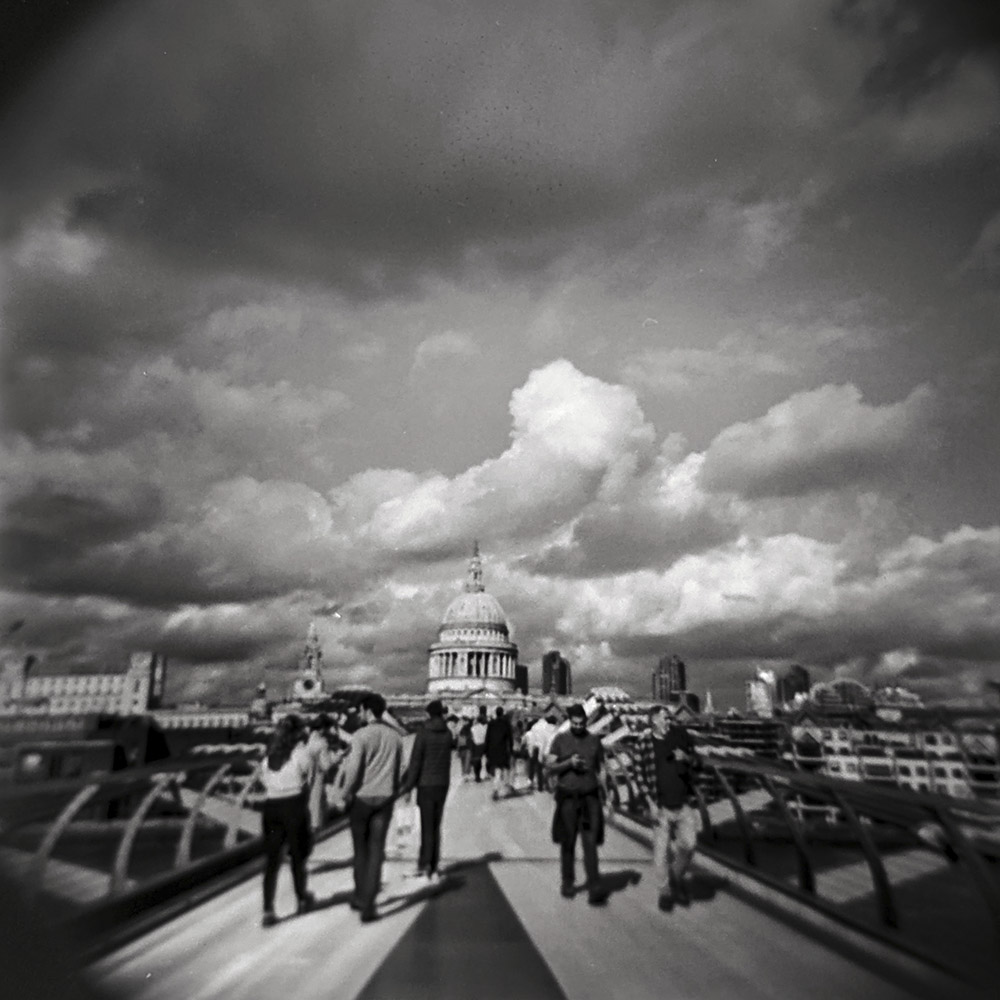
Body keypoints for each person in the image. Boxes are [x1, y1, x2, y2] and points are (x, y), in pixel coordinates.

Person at [332, 692, 404, 923]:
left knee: (360, 851)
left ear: (367, 711)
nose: (360, 715)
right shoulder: (395, 737)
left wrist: (342, 795)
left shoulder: (360, 736)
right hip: (384, 799)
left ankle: (360, 896)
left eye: (361, 711)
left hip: (362, 799)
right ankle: (369, 905)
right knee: (376, 852)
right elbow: (401, 770)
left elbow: (353, 772)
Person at [634, 704, 700, 911]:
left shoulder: (680, 737)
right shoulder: (643, 744)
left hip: (683, 803)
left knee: (689, 846)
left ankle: (675, 876)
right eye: (664, 718)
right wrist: (651, 804)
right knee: (660, 854)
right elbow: (638, 774)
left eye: (669, 718)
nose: (668, 721)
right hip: (660, 806)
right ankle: (665, 891)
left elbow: (698, 762)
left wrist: (687, 758)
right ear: (653, 720)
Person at [546, 703, 607, 905]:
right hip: (568, 799)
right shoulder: (560, 740)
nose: (578, 726)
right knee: (568, 841)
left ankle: (594, 884)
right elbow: (549, 766)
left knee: (590, 843)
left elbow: (602, 768)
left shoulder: (594, 740)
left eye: (581, 723)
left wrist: (606, 796)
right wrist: (569, 763)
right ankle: (568, 881)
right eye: (575, 723)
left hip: (590, 798)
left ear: (586, 721)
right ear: (570, 722)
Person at [260, 715, 314, 927]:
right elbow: (309, 780)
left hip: (271, 808)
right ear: (299, 733)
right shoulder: (302, 754)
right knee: (297, 857)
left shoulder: (269, 757)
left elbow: (264, 781)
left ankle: (267, 910)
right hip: (294, 806)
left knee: (271, 862)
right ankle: (301, 899)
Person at [401, 699, 454, 880]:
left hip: (426, 784)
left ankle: (425, 865)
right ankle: (434, 864)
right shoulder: (448, 733)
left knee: (426, 826)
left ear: (428, 714)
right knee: (436, 826)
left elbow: (416, 762)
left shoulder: (423, 733)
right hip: (442, 783)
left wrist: (408, 786)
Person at [304, 714, 334, 834]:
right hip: (317, 777)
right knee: (317, 805)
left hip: (305, 776)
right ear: (323, 728)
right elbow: (326, 765)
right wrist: (336, 757)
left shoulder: (306, 740)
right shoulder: (322, 743)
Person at [485, 706, 515, 799]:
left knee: (497, 770)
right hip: (503, 750)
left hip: (493, 750)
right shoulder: (506, 723)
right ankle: (506, 789)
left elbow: (487, 738)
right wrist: (511, 749)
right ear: (502, 713)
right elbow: (510, 738)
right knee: (505, 769)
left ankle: (496, 790)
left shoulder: (491, 723)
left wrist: (487, 752)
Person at [525, 713, 559, 791]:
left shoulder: (535, 727)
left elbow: (533, 741)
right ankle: (546, 785)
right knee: (547, 767)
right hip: (548, 749)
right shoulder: (550, 728)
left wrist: (531, 751)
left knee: (536, 767)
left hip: (537, 748)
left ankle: (537, 784)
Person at [470, 707, 488, 782]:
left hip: (476, 745)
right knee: (486, 760)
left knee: (477, 761)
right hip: (484, 744)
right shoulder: (486, 726)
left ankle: (477, 776)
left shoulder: (473, 727)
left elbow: (471, 737)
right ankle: (488, 774)